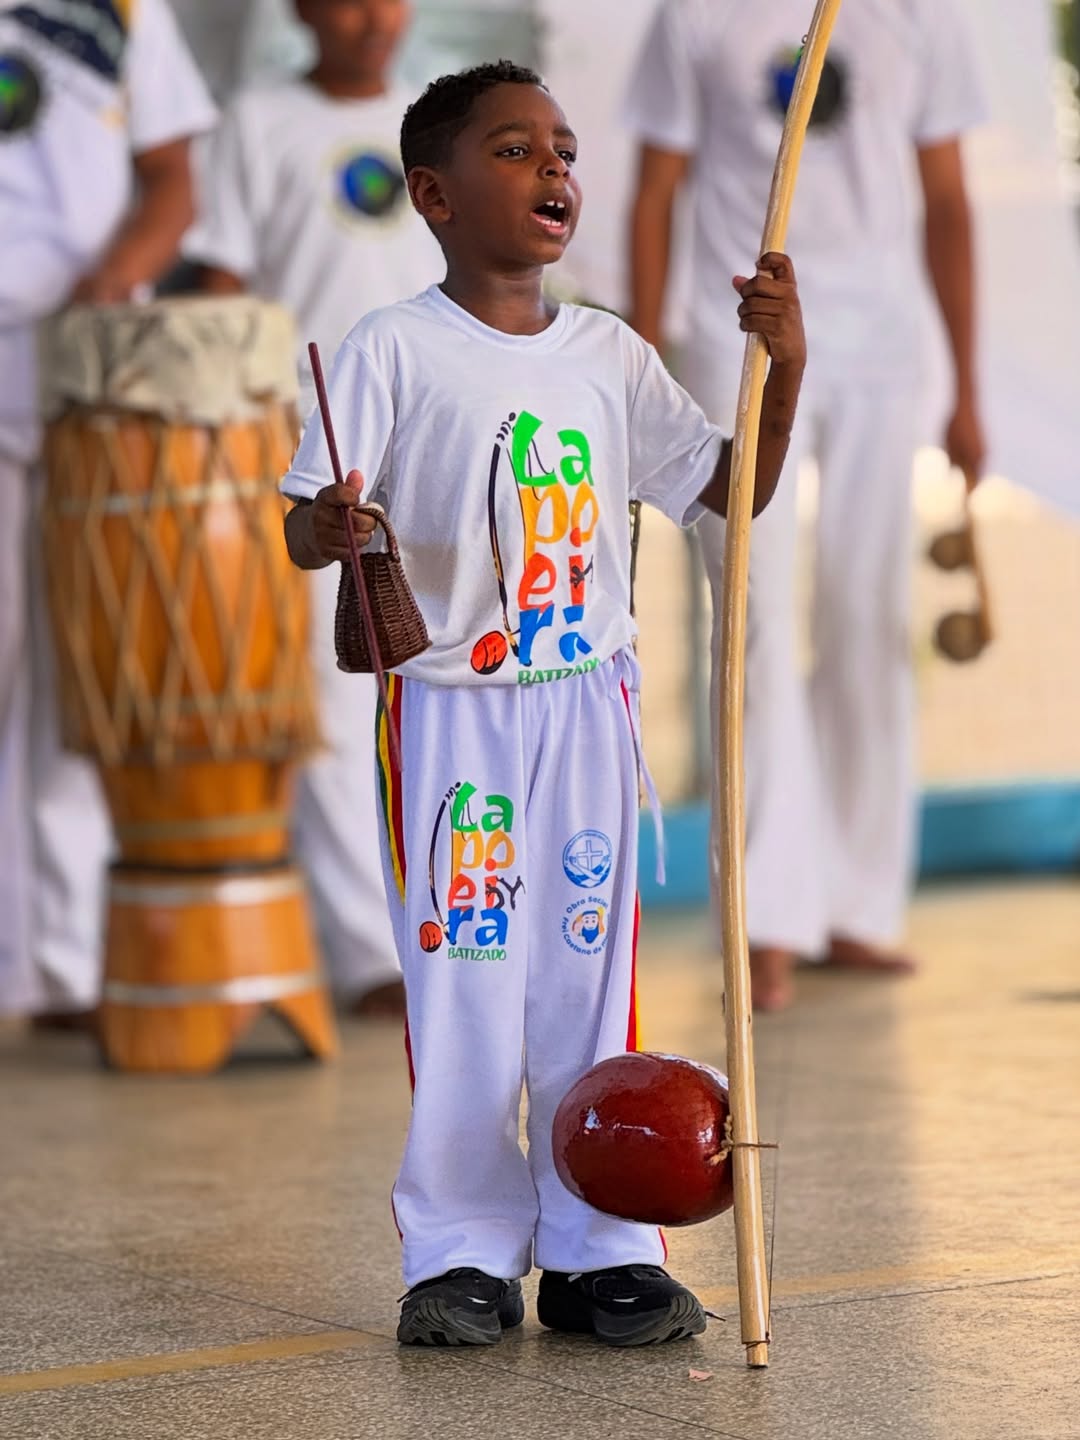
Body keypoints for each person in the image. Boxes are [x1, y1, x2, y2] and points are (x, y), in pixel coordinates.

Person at [281, 61, 805, 1348]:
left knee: (585, 978)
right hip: (454, 714)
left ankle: (599, 1245)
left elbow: (728, 495)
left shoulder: (610, 355)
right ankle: (458, 1251)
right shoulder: (390, 347)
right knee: (464, 981)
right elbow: (302, 526)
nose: (554, 170)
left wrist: (781, 368)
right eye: (514, 150)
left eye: (562, 149)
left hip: (585, 714)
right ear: (435, 194)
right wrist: (330, 523)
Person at [625, 0, 988, 1010]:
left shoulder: (920, 17)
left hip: (879, 349)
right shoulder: (696, 15)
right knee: (748, 616)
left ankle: (857, 907)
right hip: (733, 334)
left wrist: (968, 388)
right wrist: (642, 364)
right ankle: (766, 919)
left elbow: (949, 200)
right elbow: (656, 190)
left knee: (866, 619)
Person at [187, 0, 441, 1018]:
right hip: (313, 457)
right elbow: (222, 292)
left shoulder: (445, 125)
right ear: (298, 10)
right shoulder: (256, 121)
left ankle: (459, 931)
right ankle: (371, 955)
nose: (372, 16)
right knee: (332, 699)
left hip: (441, 437)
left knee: (450, 685)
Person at [0, 0, 216, 1022]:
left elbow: (173, 183)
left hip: (89, 369)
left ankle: (62, 967)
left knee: (81, 672)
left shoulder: (131, 7)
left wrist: (114, 280)